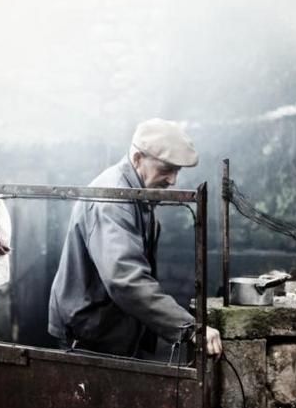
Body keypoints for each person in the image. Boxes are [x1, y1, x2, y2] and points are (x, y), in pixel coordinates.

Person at [48, 118, 223, 358]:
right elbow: (124, 278)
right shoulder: (114, 200)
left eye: (177, 171)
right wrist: (188, 328)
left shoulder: (138, 193)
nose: (173, 180)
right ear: (138, 159)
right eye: (166, 169)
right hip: (90, 334)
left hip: (109, 328)